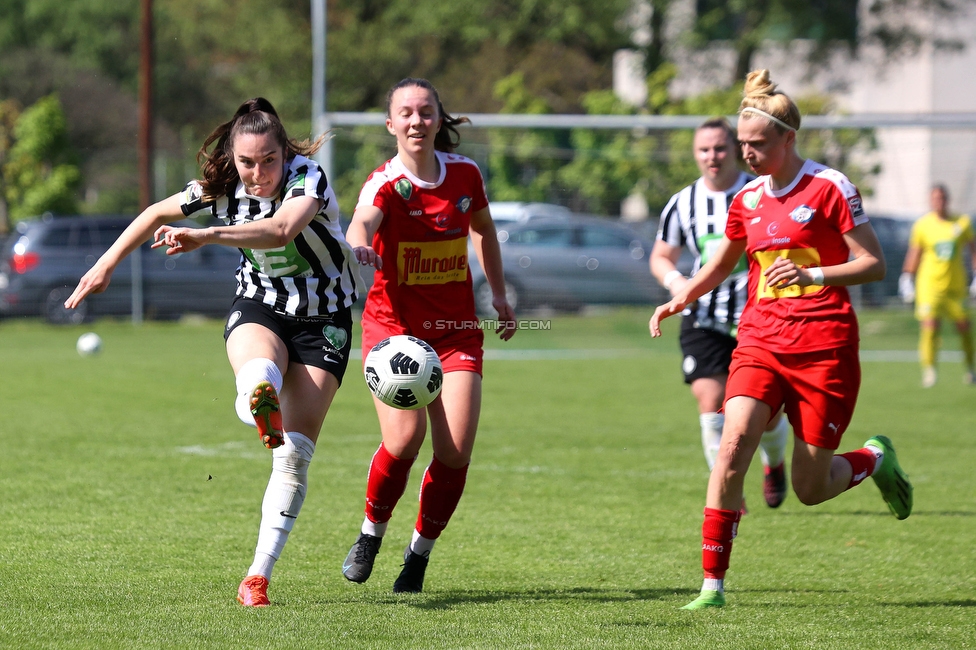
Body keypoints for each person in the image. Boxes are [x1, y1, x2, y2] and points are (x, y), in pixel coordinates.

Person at [64, 98, 360, 608]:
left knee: (292, 458)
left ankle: (257, 576)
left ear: (284, 152)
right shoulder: (221, 188)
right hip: (261, 305)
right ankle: (256, 395)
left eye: (269, 159)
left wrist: (206, 235)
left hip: (323, 321)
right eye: (247, 162)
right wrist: (107, 263)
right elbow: (157, 210)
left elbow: (282, 230)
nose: (259, 172)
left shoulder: (306, 178)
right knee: (259, 368)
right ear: (232, 157)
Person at [649, 70, 914, 609]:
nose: (746, 153)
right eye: (742, 144)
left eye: (757, 144)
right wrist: (683, 295)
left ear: (789, 139)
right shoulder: (745, 200)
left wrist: (813, 276)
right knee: (731, 447)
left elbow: (874, 265)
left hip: (824, 347)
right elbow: (722, 261)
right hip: (761, 342)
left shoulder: (830, 188)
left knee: (811, 488)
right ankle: (712, 587)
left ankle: (872, 459)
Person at [340, 77, 516, 594]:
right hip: (393, 332)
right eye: (406, 113)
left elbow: (483, 231)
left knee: (455, 450)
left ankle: (418, 555)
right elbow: (359, 223)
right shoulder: (385, 183)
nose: (416, 121)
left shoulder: (465, 175)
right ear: (391, 124)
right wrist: (360, 244)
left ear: (439, 119)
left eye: (425, 112)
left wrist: (501, 298)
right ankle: (370, 535)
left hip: (456, 331)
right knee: (403, 439)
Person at [650, 117, 791, 511]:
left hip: (761, 317)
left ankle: (775, 462)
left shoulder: (762, 192)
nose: (712, 156)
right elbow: (661, 256)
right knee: (711, 403)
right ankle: (727, 489)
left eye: (720, 148)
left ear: (736, 149)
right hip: (704, 316)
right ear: (695, 154)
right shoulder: (683, 202)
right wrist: (677, 282)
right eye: (704, 149)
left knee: (766, 413)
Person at [898, 184, 976, 387]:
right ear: (931, 201)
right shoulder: (923, 225)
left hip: (955, 286)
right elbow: (915, 252)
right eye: (935, 198)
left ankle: (970, 368)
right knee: (930, 327)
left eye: (941, 198)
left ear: (947, 200)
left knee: (964, 327)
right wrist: (907, 277)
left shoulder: (962, 222)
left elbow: (972, 249)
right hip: (929, 285)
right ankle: (929, 370)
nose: (938, 201)